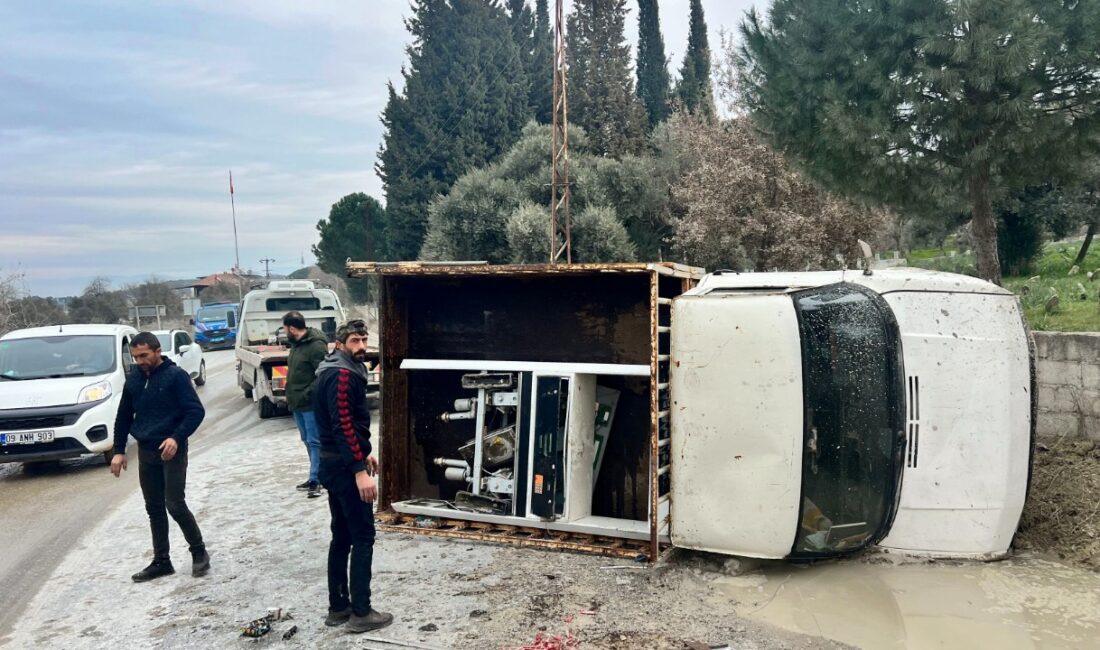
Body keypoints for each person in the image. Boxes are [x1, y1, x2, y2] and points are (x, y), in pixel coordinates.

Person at [110, 331, 210, 582]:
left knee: (174, 503)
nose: (140, 361)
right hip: (146, 450)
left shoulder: (175, 377)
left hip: (171, 449)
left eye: (144, 355)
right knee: (154, 507)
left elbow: (195, 412)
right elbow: (123, 417)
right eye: (135, 357)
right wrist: (119, 451)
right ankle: (161, 561)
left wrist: (176, 437)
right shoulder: (133, 380)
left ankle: (199, 553)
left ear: (157, 351)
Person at [313, 320, 393, 633]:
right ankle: (361, 612)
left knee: (342, 536)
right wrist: (360, 470)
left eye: (364, 339)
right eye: (355, 341)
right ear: (340, 342)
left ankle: (338, 607)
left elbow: (346, 427)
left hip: (335, 463)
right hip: (345, 470)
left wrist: (362, 451)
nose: (361, 346)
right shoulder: (343, 374)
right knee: (362, 537)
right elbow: (342, 425)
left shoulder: (332, 367)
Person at [283, 311, 329, 498]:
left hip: (310, 403)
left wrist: (305, 394)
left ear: (292, 328)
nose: (285, 331)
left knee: (315, 441)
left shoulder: (316, 346)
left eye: (285, 328)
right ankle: (315, 476)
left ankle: (316, 480)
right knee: (307, 441)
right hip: (298, 404)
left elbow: (322, 374)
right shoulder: (296, 345)